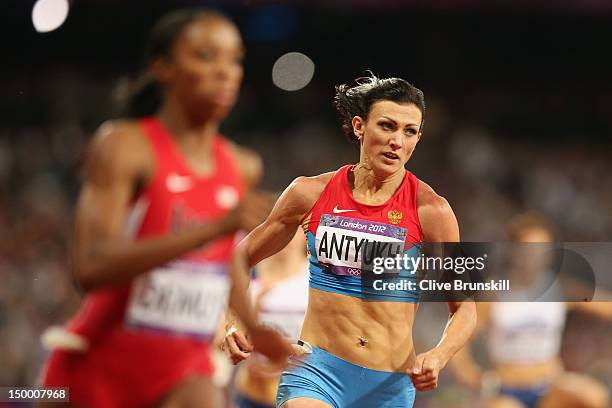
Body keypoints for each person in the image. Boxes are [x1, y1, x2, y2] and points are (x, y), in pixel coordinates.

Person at [39, 8, 290, 408]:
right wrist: (209, 229)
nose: (226, 72)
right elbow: (88, 267)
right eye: (206, 56)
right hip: (99, 364)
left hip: (184, 368)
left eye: (235, 59)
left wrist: (253, 327)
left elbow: (220, 263)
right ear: (163, 68)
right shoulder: (124, 146)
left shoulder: (242, 165)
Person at [224, 74, 477, 408]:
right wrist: (233, 321)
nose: (397, 142)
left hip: (388, 384)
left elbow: (464, 308)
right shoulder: (309, 194)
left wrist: (439, 355)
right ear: (359, 126)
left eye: (409, 131)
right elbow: (239, 258)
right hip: (317, 370)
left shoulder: (432, 211)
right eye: (387, 126)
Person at [450, 212, 611, 408]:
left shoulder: (558, 289)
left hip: (549, 385)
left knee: (594, 396)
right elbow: (458, 339)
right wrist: (468, 372)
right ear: (514, 251)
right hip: (507, 387)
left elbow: (603, 306)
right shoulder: (494, 294)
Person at [230, 230, 309, 408]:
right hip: (251, 393)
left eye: (294, 229)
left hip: (297, 397)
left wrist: (286, 353)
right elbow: (224, 337)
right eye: (283, 228)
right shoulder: (248, 275)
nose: (286, 237)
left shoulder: (315, 280)